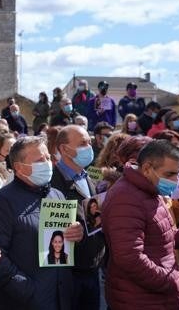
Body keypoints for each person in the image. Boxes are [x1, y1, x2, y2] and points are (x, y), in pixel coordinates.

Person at [0, 136, 83, 309]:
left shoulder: (57, 195)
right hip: (24, 301)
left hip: (61, 297)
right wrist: (28, 290)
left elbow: (63, 244)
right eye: (40, 160)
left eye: (48, 158)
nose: (47, 163)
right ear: (18, 167)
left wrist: (77, 234)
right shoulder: (1, 202)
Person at [102, 140, 179, 309]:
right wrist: (168, 279)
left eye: (177, 174)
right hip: (141, 300)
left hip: (157, 297)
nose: (175, 181)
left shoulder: (151, 190)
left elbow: (158, 233)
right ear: (146, 169)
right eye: (169, 174)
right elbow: (129, 258)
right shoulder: (126, 198)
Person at [51, 125, 105, 309]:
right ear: (64, 149)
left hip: (92, 268)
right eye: (83, 143)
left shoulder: (87, 177)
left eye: (89, 142)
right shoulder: (51, 182)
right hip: (67, 275)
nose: (89, 147)